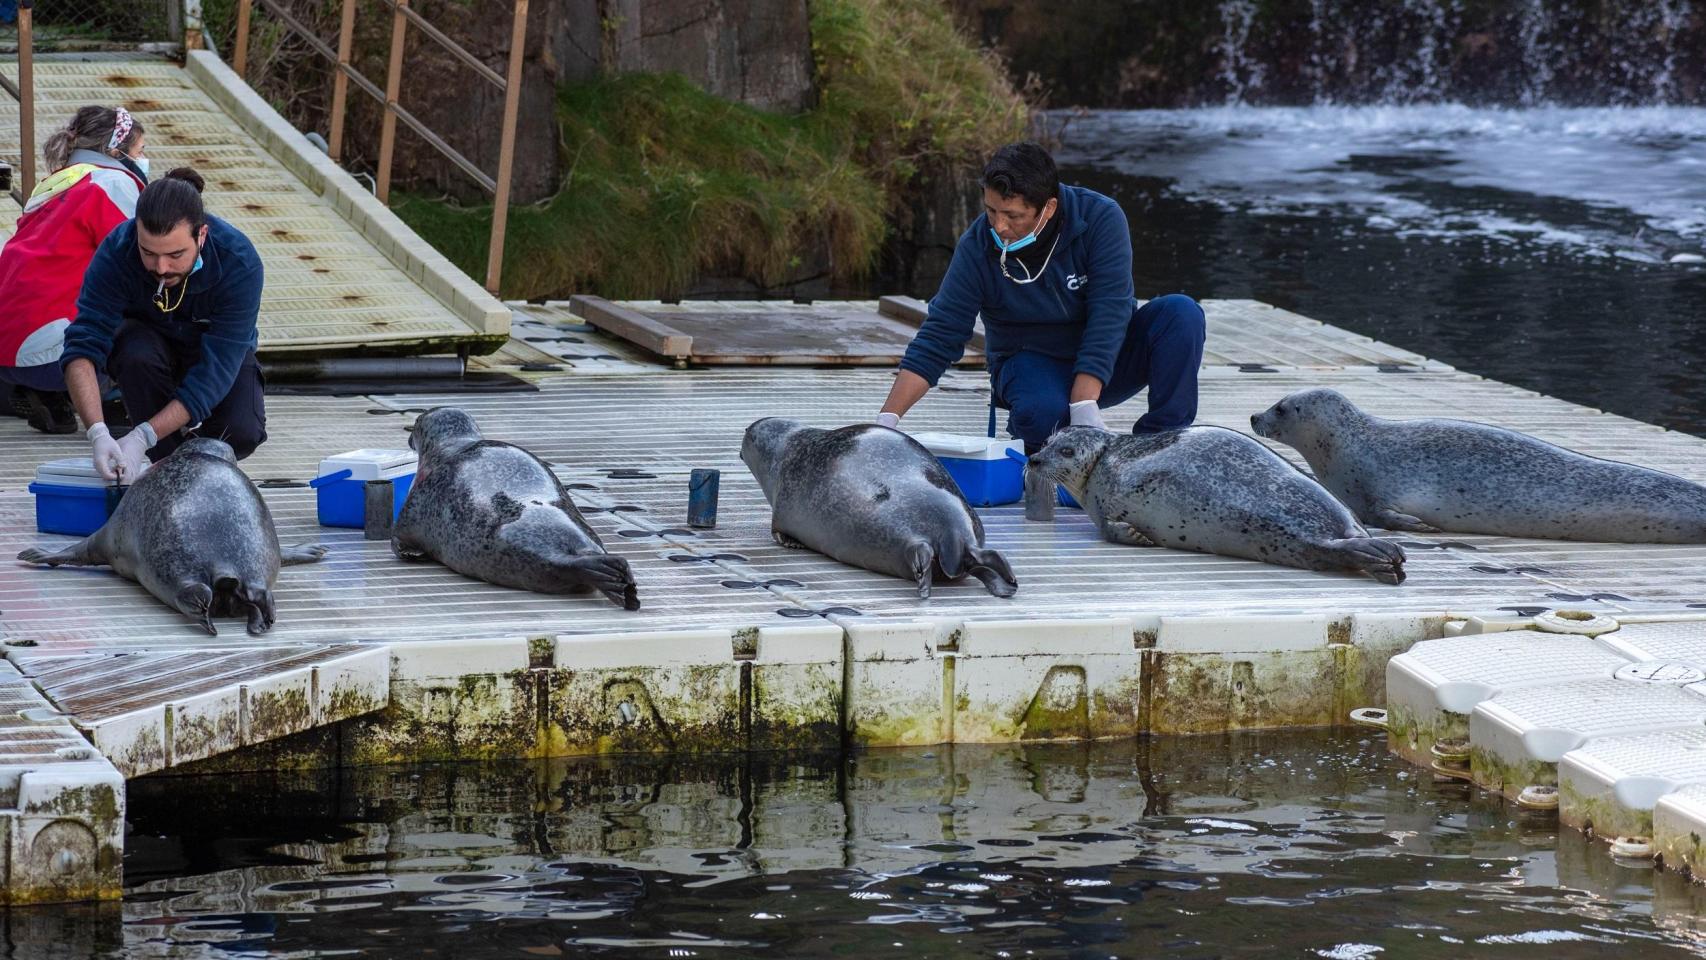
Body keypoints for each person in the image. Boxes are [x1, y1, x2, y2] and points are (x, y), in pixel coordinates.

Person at [879, 142, 1206, 454]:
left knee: (1181, 313)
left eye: (1013, 216)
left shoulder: (1099, 218)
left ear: (1048, 207)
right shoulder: (977, 246)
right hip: (1030, 365)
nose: (999, 226)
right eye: (991, 211)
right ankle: (1037, 448)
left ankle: (1161, 447)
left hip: (1104, 363)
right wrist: (886, 424)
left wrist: (1083, 402)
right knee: (1043, 413)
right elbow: (940, 335)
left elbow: (1111, 309)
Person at [61, 167, 267, 481]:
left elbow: (216, 372)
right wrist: (97, 432)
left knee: (241, 430)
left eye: (175, 254)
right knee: (134, 352)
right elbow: (82, 345)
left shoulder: (238, 261)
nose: (161, 267)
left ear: (202, 234)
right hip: (149, 352)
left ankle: (195, 467)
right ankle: (164, 467)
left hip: (214, 354)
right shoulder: (117, 250)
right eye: (149, 253)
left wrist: (142, 435)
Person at [0, 105, 148, 433]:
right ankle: (113, 400)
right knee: (150, 301)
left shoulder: (54, 184)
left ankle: (52, 398)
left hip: (11, 348)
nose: (142, 160)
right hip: (56, 354)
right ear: (115, 151)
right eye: (139, 151)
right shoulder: (112, 183)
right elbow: (141, 262)